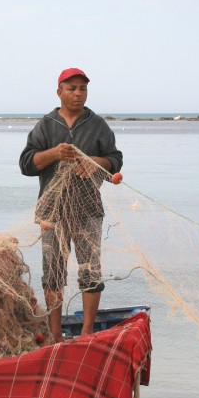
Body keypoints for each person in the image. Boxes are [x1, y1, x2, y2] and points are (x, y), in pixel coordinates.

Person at [19, 67, 123, 341]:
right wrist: (53, 153)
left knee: (90, 270)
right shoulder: (45, 125)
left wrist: (96, 163)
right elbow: (26, 164)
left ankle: (87, 333)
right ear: (59, 92)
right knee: (52, 272)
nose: (78, 94)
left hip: (88, 211)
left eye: (83, 89)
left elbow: (115, 160)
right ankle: (55, 335)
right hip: (51, 213)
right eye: (72, 88)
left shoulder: (98, 125)